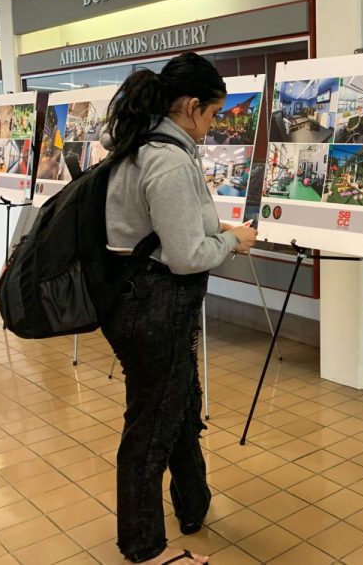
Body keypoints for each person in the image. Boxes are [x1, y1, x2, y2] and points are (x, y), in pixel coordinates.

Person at [101, 52, 258, 565]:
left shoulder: (136, 145)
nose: (213, 128)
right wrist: (233, 241)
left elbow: (173, 232)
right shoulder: (167, 160)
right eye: (213, 115)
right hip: (157, 306)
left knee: (180, 407)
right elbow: (187, 255)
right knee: (151, 428)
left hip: (139, 304)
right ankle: (144, 548)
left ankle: (193, 503)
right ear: (191, 106)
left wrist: (220, 232)